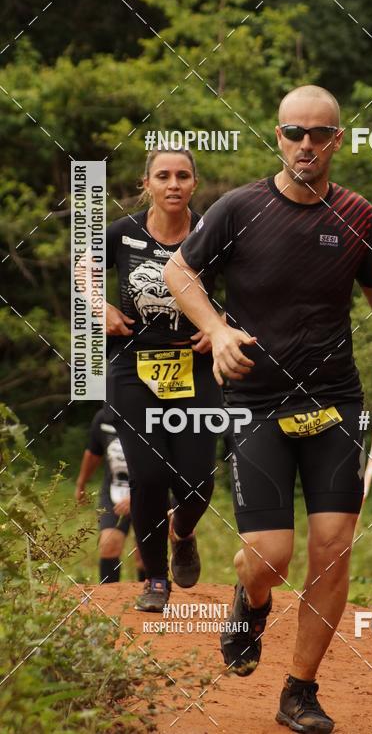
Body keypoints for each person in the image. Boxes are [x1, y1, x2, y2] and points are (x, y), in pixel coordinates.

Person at [164, 86, 372, 732]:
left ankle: (299, 690)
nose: (307, 143)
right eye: (294, 131)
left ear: (338, 140)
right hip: (255, 400)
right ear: (278, 136)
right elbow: (179, 273)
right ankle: (250, 600)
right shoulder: (238, 208)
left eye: (320, 133)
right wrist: (217, 331)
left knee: (333, 547)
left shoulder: (359, 214)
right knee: (270, 554)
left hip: (334, 399)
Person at [104, 147, 221, 612]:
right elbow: (82, 270)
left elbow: (251, 287)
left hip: (195, 367)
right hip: (134, 368)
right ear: (146, 183)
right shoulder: (121, 233)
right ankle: (155, 579)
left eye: (183, 176)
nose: (173, 184)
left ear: (194, 184)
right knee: (148, 476)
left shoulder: (213, 233)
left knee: (197, 483)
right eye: (163, 176)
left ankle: (183, 531)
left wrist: (223, 325)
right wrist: (99, 306)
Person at [75, 406, 145, 584]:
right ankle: (106, 604)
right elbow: (93, 453)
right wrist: (81, 483)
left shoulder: (153, 415)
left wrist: (135, 497)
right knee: (108, 544)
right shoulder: (104, 417)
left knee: (144, 555)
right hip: (113, 490)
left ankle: (149, 598)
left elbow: (164, 461)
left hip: (148, 491)